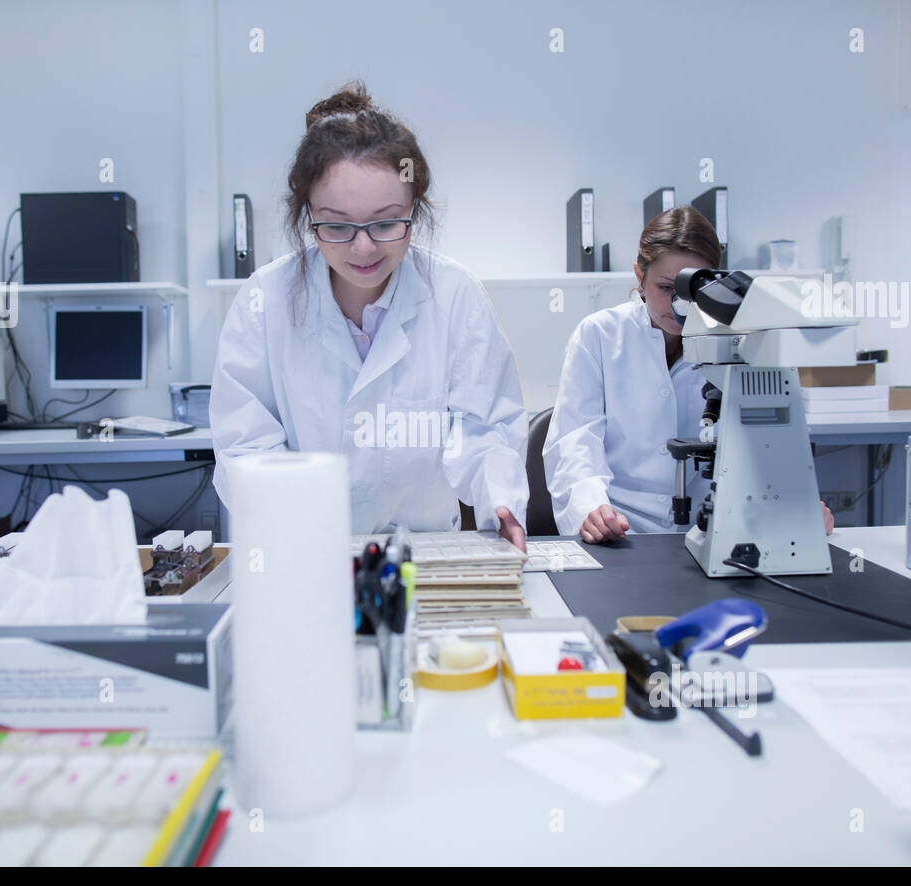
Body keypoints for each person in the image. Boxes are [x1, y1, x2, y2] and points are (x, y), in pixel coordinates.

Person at [210, 82, 529, 548]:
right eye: (337, 225)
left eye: (385, 222)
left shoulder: (454, 295)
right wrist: (303, 533)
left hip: (424, 551)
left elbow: (484, 429)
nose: (363, 247)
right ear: (308, 214)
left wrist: (500, 500)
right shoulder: (266, 300)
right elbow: (245, 445)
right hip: (307, 547)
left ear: (414, 210)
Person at [543, 206, 834, 542]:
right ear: (639, 276)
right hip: (621, 526)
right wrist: (591, 509)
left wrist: (797, 506)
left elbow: (770, 440)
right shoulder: (600, 335)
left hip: (713, 527)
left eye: (691, 291)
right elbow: (575, 440)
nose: (678, 305)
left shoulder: (745, 341)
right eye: (665, 287)